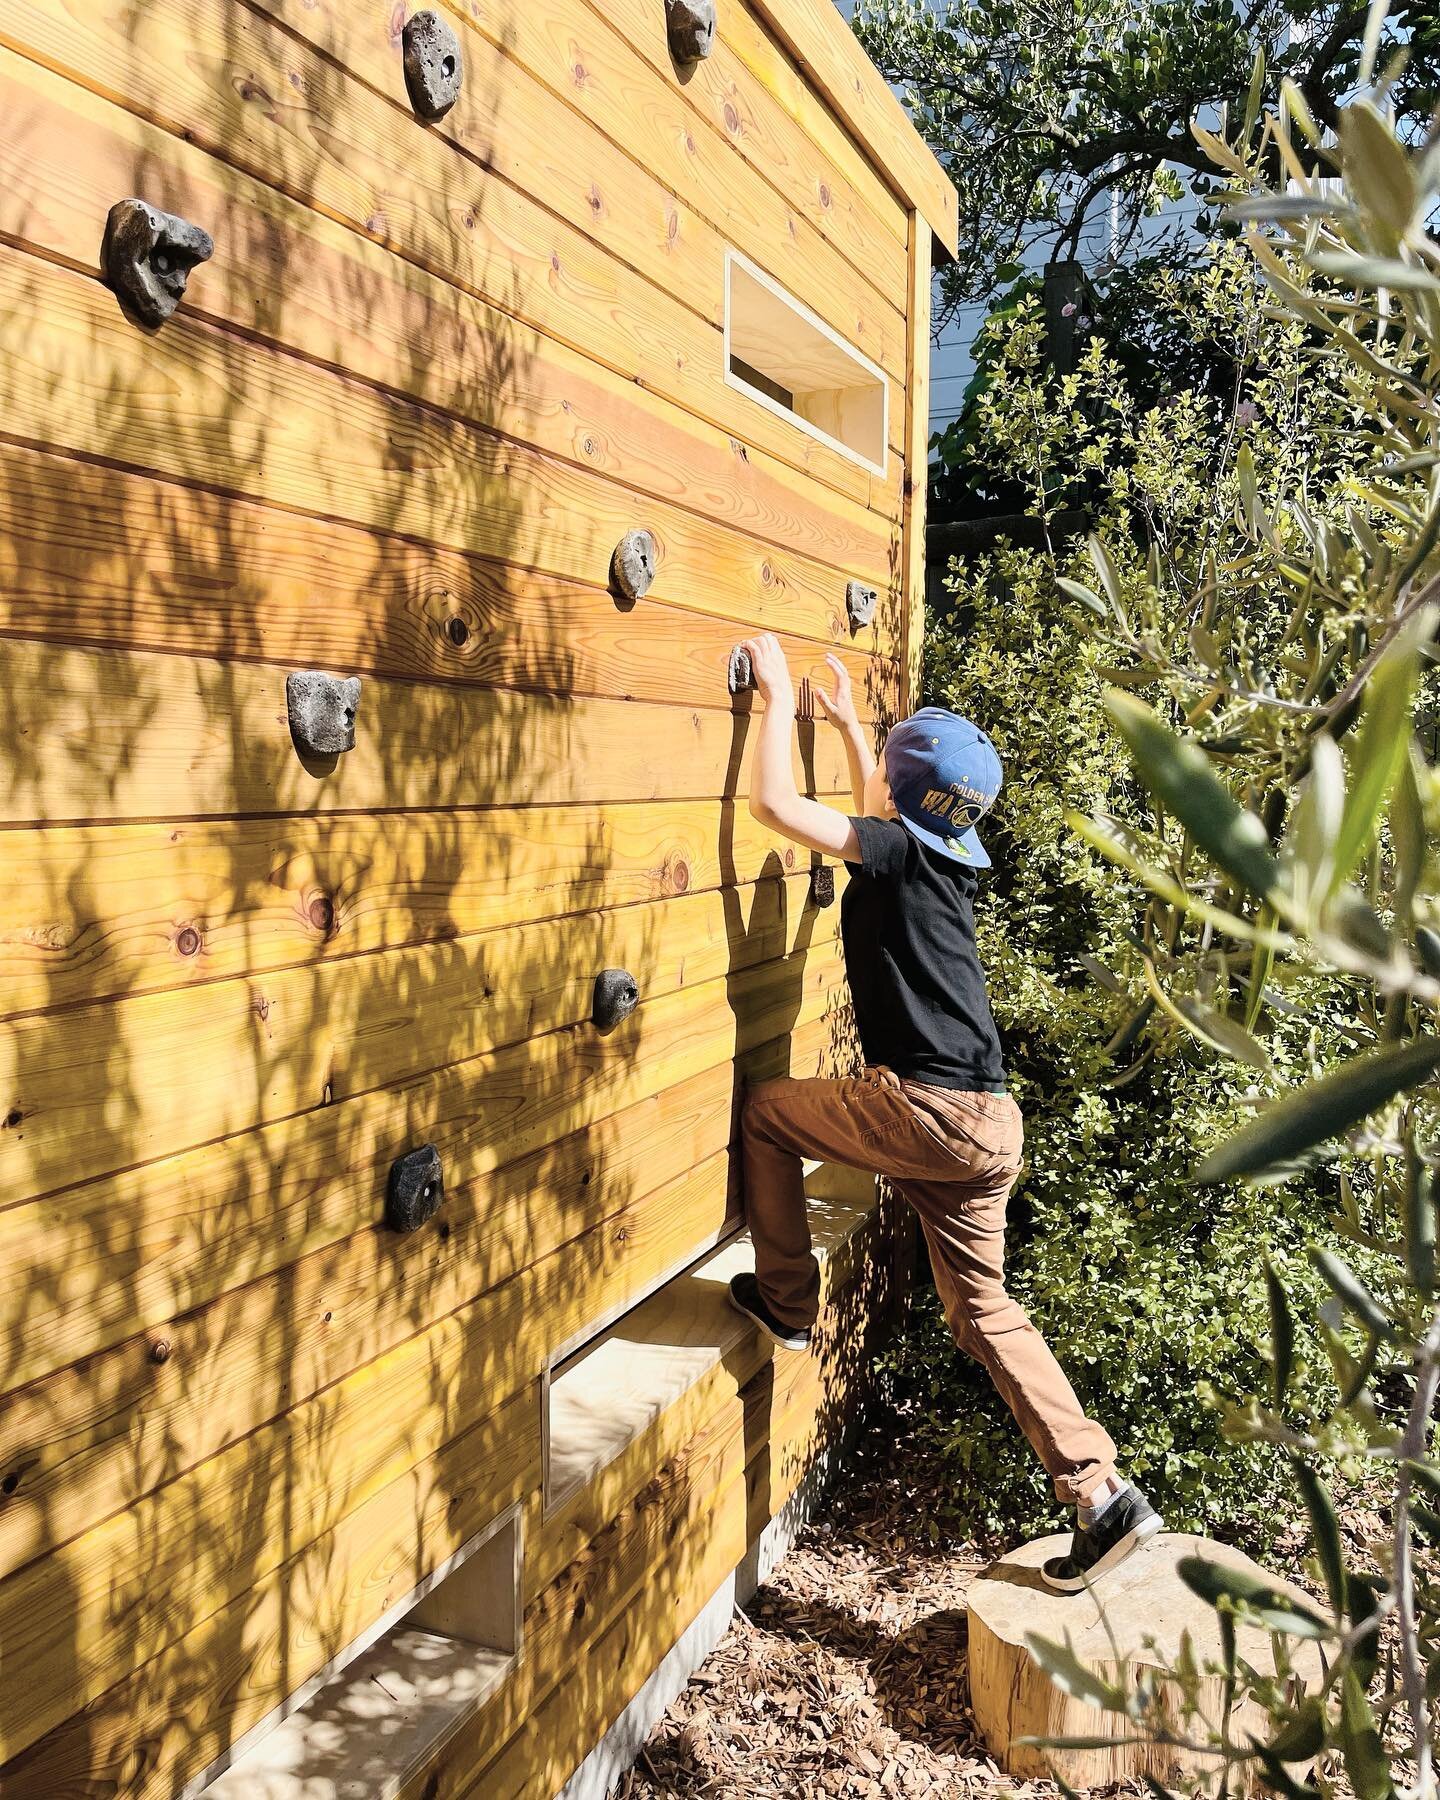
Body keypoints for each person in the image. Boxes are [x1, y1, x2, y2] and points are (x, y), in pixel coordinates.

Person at [726, 632, 1161, 1591]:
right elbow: (880, 819)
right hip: (990, 1128)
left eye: (881, 758)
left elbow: (776, 807)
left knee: (766, 1115)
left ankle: (789, 1304)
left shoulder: (889, 851)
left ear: (895, 791)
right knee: (983, 1311)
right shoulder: (944, 868)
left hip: (931, 1110)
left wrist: (775, 701)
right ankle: (1101, 1495)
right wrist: (844, 726)